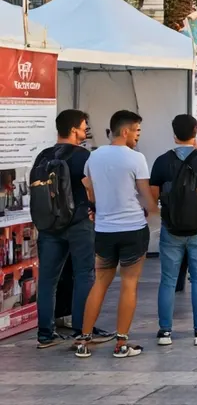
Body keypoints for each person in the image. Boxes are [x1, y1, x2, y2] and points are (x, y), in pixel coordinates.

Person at [74, 110, 157, 358]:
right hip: (132, 228)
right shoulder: (136, 158)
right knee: (129, 284)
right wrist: (154, 211)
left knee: (100, 282)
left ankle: (84, 340)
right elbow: (145, 194)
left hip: (104, 230)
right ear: (125, 131)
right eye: (137, 131)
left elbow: (89, 191)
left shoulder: (93, 157)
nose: (138, 136)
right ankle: (121, 344)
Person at [33, 110, 115, 348]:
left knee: (48, 280)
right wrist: (95, 207)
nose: (85, 130)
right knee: (84, 275)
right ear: (73, 130)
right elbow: (92, 187)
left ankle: (45, 334)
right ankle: (83, 330)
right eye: (83, 126)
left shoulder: (42, 156)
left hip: (49, 225)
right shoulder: (83, 156)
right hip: (79, 222)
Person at [149, 114, 197, 347]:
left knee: (168, 280)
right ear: (196, 130)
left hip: (171, 229)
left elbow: (154, 195)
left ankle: (165, 332)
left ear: (174, 133)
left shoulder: (162, 162)